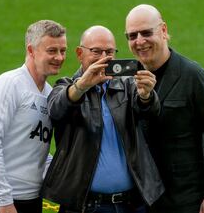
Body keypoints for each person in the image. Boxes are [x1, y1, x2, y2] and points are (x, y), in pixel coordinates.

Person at [41, 25, 165, 213]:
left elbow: (151, 115)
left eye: (109, 51)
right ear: (79, 53)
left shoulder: (128, 87)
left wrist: (147, 95)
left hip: (131, 205)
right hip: (86, 206)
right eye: (96, 51)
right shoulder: (65, 86)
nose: (103, 57)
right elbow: (56, 109)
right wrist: (82, 85)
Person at [125, 4, 204, 213]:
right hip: (140, 201)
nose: (139, 41)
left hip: (185, 200)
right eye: (132, 35)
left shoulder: (193, 76)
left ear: (163, 30)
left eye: (146, 33)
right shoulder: (127, 81)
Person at [0, 20, 67, 213]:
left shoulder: (49, 94)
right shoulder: (9, 85)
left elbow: (36, 150)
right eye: (52, 51)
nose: (59, 57)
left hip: (30, 199)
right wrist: (4, 200)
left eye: (63, 51)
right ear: (31, 50)